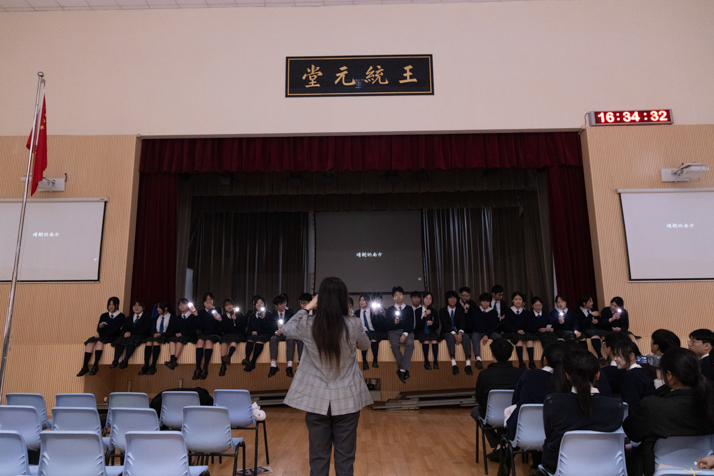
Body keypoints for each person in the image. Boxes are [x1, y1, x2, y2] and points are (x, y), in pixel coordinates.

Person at [281, 277, 372, 476]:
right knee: (345, 459)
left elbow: (286, 329)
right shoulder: (353, 324)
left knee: (318, 458)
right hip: (347, 399)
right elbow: (365, 345)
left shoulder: (308, 324)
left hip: (316, 400)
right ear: (343, 299)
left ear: (319, 299)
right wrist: (350, 314)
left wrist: (307, 308)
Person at [623, 347, 714, 476]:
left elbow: (632, 432)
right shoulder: (709, 402)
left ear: (669, 376)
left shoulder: (653, 406)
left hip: (660, 471)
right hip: (705, 470)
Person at [541, 351, 624, 475]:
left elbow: (549, 436)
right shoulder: (616, 407)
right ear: (598, 375)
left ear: (567, 375)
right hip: (608, 469)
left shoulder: (553, 403)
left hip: (561, 468)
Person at [472, 339, 525, 461]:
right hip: (514, 415)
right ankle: (503, 444)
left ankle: (498, 445)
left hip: (492, 416)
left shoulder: (484, 374)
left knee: (475, 411)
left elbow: (479, 399)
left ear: (492, 354)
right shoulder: (520, 373)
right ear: (510, 354)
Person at [506, 342, 567, 439]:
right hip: (555, 435)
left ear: (545, 360)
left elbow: (515, 400)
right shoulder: (567, 381)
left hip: (522, 433)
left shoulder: (528, 375)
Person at [77, 296, 125, 376]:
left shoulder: (121, 316)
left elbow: (115, 330)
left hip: (113, 336)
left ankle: (95, 365)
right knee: (90, 342)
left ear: (117, 305)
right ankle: (84, 366)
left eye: (113, 304)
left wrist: (100, 335)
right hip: (102, 335)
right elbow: (98, 330)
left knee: (99, 342)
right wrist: (100, 327)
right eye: (109, 304)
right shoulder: (104, 315)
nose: (111, 306)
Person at [612, 340, 655, 415]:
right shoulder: (644, 371)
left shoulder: (630, 376)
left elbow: (632, 406)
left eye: (618, 355)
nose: (615, 359)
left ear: (631, 356)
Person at [385, 286, 415, 383]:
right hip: (393, 331)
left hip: (407, 331)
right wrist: (394, 323)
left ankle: (401, 370)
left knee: (410, 343)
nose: (398, 296)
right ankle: (404, 369)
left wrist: (404, 334)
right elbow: (387, 325)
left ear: (403, 296)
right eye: (396, 295)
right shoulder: (390, 310)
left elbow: (410, 324)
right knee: (394, 345)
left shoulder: (409, 309)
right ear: (393, 297)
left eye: (400, 294)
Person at [465, 292, 501, 371]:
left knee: (498, 337)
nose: (485, 303)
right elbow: (470, 325)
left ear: (490, 302)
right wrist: (466, 313)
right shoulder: (475, 311)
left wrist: (487, 335)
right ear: (480, 301)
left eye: (487, 301)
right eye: (483, 301)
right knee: (474, 336)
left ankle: (499, 358)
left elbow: (494, 327)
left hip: (490, 333)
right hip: (477, 332)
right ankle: (478, 359)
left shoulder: (493, 312)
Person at [502, 292, 539, 369]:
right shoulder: (508, 311)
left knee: (530, 339)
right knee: (519, 340)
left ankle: (531, 362)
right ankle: (521, 363)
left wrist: (523, 330)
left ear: (522, 301)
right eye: (516, 299)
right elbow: (507, 326)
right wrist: (517, 330)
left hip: (523, 331)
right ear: (512, 300)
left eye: (520, 299)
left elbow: (527, 325)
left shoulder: (525, 312)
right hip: (512, 331)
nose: (518, 301)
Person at [111, 300, 152, 370]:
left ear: (143, 308)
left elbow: (145, 329)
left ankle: (125, 361)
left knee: (132, 340)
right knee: (120, 340)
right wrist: (125, 333)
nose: (136, 307)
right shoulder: (129, 318)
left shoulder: (147, 317)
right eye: (135, 305)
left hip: (140, 335)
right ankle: (115, 360)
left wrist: (131, 333)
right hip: (129, 335)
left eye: (139, 306)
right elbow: (124, 328)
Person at [141, 301, 175, 376]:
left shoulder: (172, 317)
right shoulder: (156, 318)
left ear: (165, 308)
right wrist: (154, 334)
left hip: (166, 336)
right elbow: (152, 329)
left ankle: (153, 365)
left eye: (159, 307)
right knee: (149, 342)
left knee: (156, 342)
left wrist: (161, 334)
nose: (157, 309)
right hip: (156, 336)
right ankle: (146, 365)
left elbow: (172, 331)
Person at [193, 292, 222, 380]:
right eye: (206, 300)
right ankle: (198, 368)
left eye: (210, 299)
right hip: (204, 333)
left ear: (213, 301)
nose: (208, 301)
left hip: (214, 333)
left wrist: (211, 310)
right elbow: (199, 326)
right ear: (203, 302)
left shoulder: (217, 310)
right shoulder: (201, 312)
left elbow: (218, 322)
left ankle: (205, 368)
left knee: (209, 341)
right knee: (199, 341)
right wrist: (196, 315)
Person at [165, 298, 199, 369]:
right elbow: (175, 329)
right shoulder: (177, 318)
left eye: (183, 304)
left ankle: (174, 360)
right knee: (171, 340)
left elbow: (193, 330)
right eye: (180, 305)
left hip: (190, 336)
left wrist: (182, 334)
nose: (181, 306)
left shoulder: (192, 316)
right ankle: (172, 359)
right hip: (180, 336)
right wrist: (177, 333)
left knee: (180, 340)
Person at [268, 294, 296, 378]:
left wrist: (285, 329)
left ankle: (289, 366)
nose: (283, 305)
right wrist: (276, 331)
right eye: (281, 304)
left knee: (291, 339)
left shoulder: (290, 314)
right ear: (276, 306)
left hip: (288, 334)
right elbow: (269, 328)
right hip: (278, 335)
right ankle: (273, 365)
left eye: (284, 303)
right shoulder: (272, 315)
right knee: (272, 339)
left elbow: (294, 326)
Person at [356, 293, 386, 370]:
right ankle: (364, 361)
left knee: (374, 339)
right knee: (363, 339)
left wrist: (376, 314)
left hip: (373, 331)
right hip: (363, 332)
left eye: (363, 300)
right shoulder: (357, 313)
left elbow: (379, 325)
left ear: (368, 301)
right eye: (360, 300)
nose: (361, 302)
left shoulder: (373, 311)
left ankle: (375, 360)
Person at [439, 290, 466, 375]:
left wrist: (460, 334)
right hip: (447, 332)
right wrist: (454, 334)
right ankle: (453, 363)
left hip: (459, 332)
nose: (452, 300)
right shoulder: (442, 311)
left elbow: (462, 323)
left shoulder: (460, 310)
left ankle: (468, 364)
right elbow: (445, 325)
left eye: (454, 298)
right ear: (447, 299)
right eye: (450, 298)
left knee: (466, 337)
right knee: (450, 336)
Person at [218, 299, 247, 377]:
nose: (229, 306)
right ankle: (223, 366)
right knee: (223, 342)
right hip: (227, 334)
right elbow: (223, 330)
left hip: (238, 334)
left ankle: (229, 356)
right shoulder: (223, 317)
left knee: (234, 341)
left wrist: (236, 319)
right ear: (224, 307)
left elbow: (243, 327)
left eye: (230, 304)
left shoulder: (239, 314)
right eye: (227, 305)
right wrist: (224, 321)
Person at [575, 294, 606, 363]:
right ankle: (599, 356)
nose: (592, 303)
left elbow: (600, 324)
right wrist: (591, 315)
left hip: (595, 330)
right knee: (594, 334)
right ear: (584, 303)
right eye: (590, 301)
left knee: (605, 333)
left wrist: (597, 322)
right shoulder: (578, 312)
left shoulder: (593, 310)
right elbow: (581, 324)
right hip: (584, 330)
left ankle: (606, 355)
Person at [415, 292, 440, 370]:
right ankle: (426, 362)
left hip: (431, 330)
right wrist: (425, 315)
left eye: (430, 299)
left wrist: (431, 324)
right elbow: (418, 325)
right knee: (425, 340)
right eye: (426, 298)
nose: (428, 300)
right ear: (423, 299)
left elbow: (437, 326)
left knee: (434, 340)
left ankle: (435, 362)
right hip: (421, 331)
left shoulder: (434, 311)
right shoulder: (418, 311)